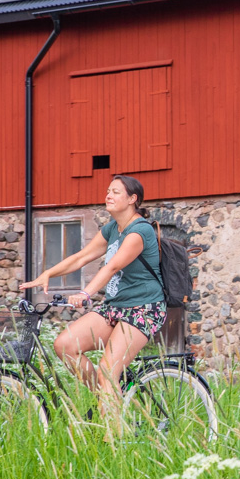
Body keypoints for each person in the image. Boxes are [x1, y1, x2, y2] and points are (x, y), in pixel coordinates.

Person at [20, 175, 165, 421]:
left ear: (132, 199)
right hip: (115, 307)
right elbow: (81, 257)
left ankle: (116, 443)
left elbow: (111, 268)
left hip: (144, 308)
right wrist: (49, 273)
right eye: (108, 191)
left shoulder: (140, 231)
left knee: (108, 371)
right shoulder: (111, 228)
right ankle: (110, 399)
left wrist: (85, 293)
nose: (108, 195)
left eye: (116, 192)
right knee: (65, 346)